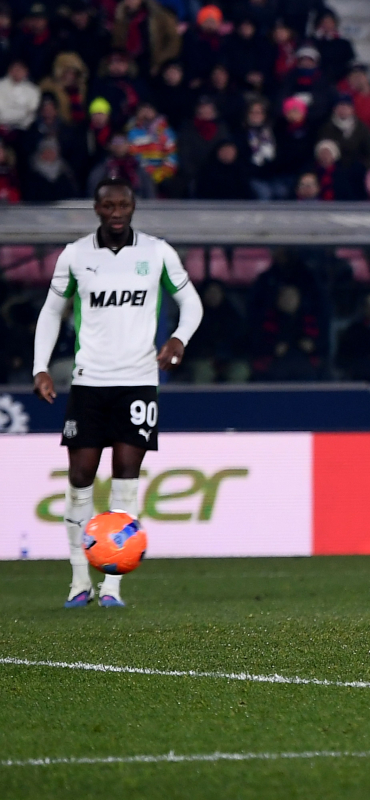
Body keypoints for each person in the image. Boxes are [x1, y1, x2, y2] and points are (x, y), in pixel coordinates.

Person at [32, 176, 203, 609]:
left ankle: (112, 587)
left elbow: (192, 303)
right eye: (107, 206)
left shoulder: (157, 252)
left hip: (139, 378)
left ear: (133, 206)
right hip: (90, 380)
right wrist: (41, 368)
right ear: (96, 209)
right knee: (80, 477)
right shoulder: (74, 256)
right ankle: (77, 581)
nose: (115, 213)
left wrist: (179, 339)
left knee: (126, 477)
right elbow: (51, 311)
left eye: (122, 205)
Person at [317, 95, 370, 168]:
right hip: (333, 169)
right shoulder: (327, 128)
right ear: (334, 109)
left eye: (346, 106)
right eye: (340, 106)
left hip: (356, 170)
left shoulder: (361, 128)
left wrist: (363, 167)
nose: (343, 109)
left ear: (352, 109)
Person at [87, 133, 156, 198]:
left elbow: (149, 193)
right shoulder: (102, 169)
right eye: (115, 142)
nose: (119, 145)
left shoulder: (138, 169)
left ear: (128, 144)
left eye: (122, 142)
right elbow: (93, 192)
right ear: (109, 145)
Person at [0, 60, 40, 132]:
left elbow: (31, 112)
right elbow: (2, 111)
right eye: (15, 69)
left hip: (24, 129)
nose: (17, 72)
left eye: (20, 70)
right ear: (9, 70)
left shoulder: (33, 90)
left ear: (26, 72)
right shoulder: (1, 86)